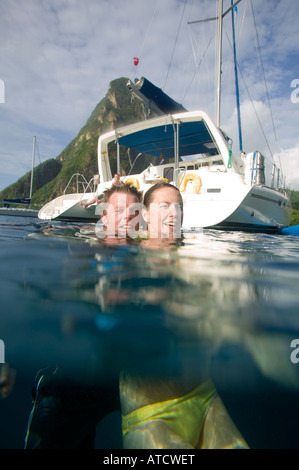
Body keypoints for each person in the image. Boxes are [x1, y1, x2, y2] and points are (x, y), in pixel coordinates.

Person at [119, 181, 249, 449]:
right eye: (164, 206)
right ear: (144, 214)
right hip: (151, 416)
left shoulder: (197, 255)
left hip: (205, 397)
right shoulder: (127, 259)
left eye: (178, 207)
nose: (174, 213)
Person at [24, 183, 142, 449]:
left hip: (122, 384)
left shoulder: (149, 253)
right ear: (104, 216)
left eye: (134, 211)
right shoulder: (82, 248)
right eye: (120, 210)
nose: (127, 217)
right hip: (70, 386)